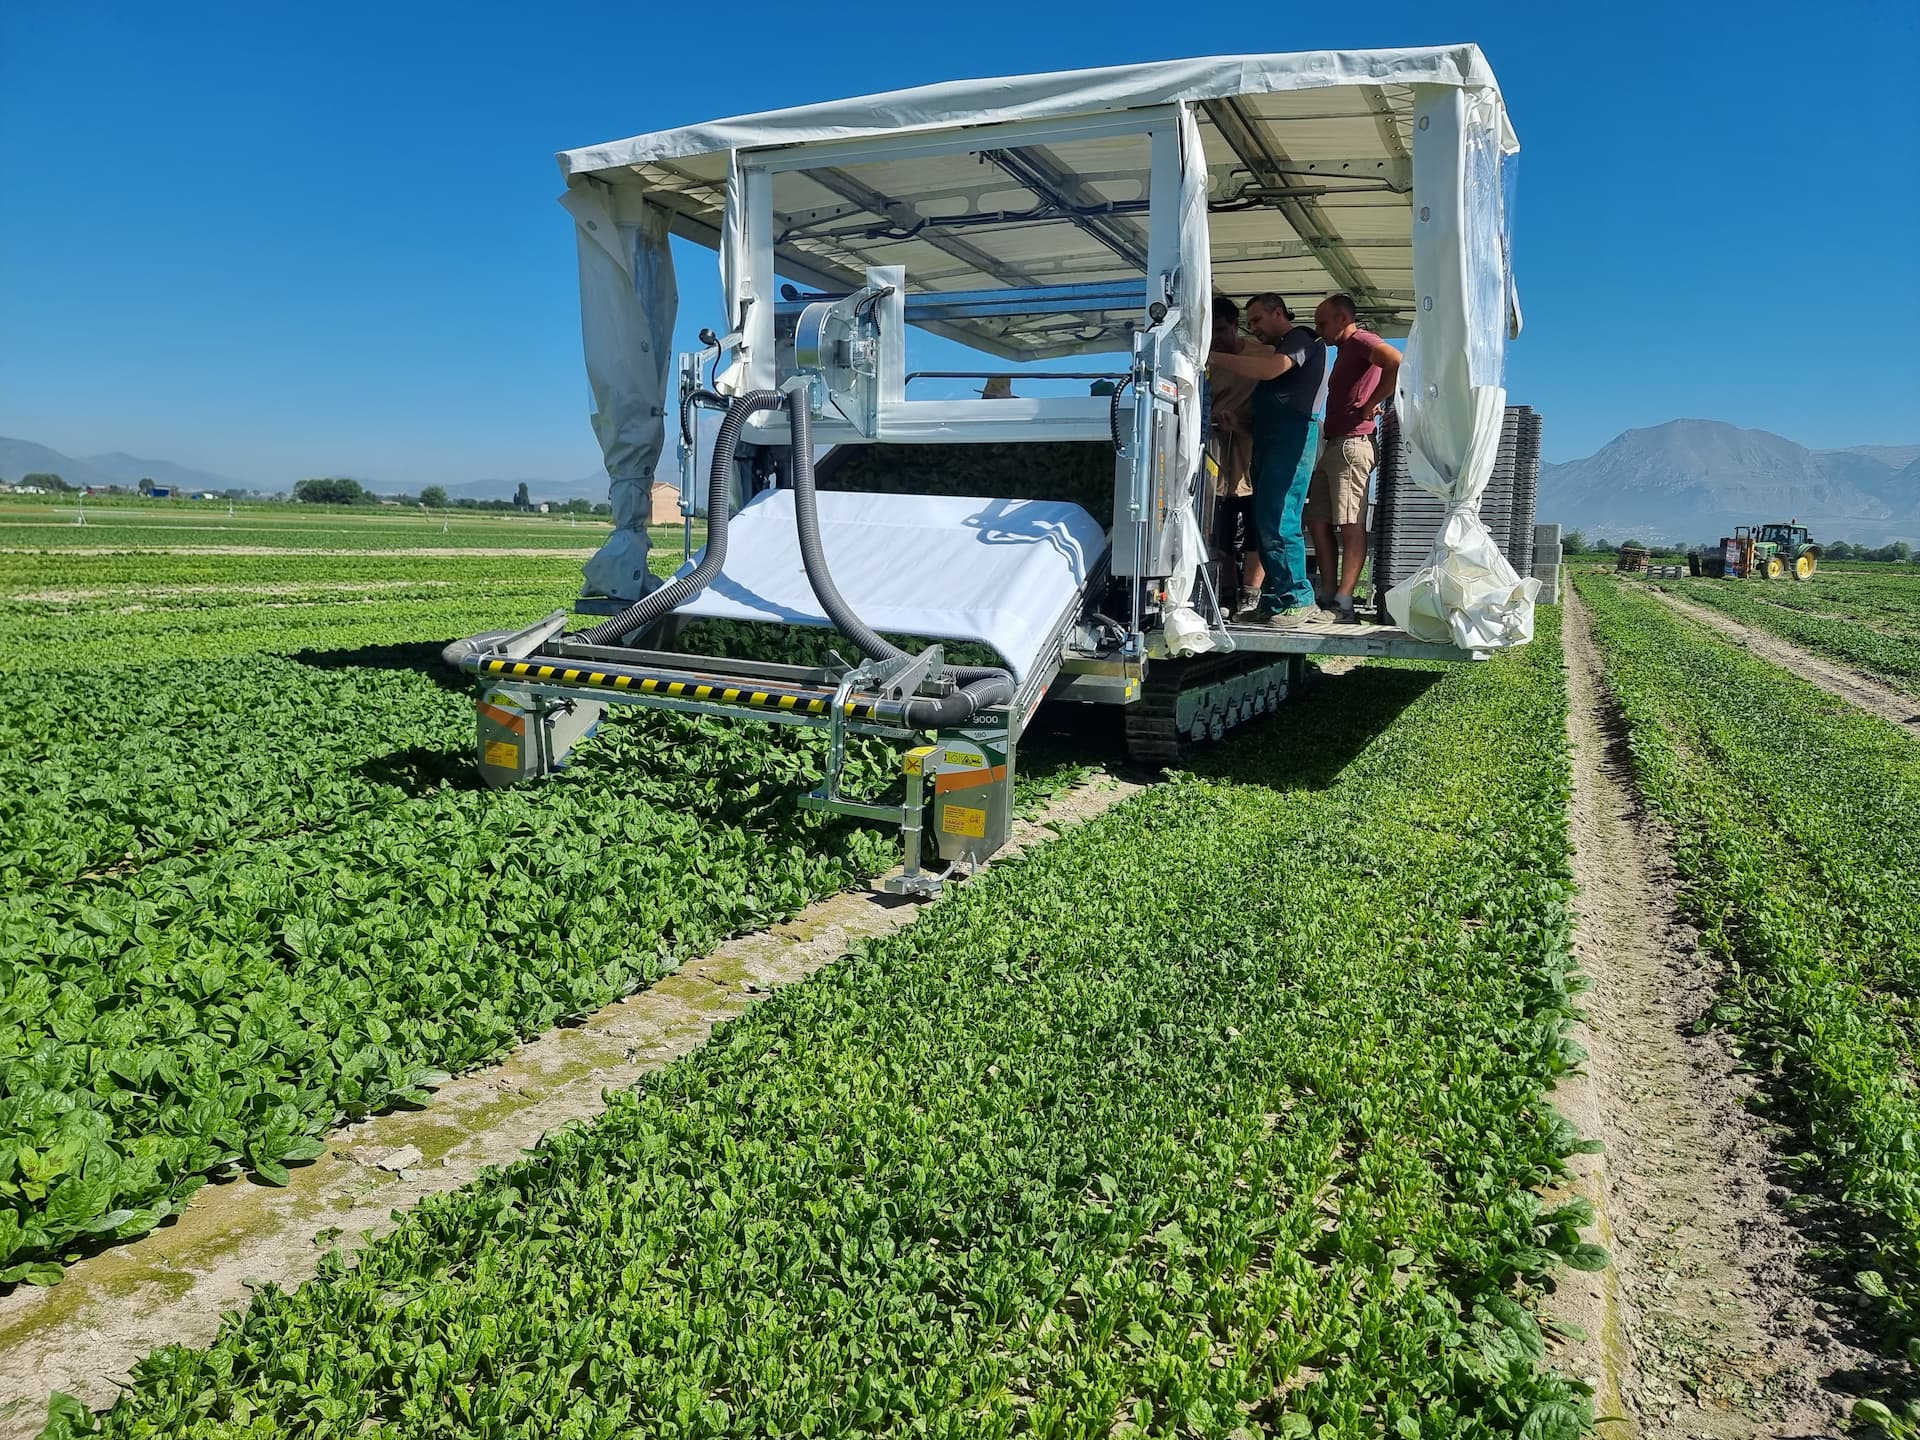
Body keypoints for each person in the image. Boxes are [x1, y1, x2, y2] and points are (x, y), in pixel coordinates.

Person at [1204, 293, 1328, 627]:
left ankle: (1298, 599)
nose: (1254, 328)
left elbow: (1272, 369)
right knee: (1265, 523)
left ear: (1277, 313)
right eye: (1250, 322)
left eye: (1257, 320)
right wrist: (1239, 424)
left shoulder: (1302, 339)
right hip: (1267, 443)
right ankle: (1279, 598)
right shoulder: (1280, 348)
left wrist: (1213, 356)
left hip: (1292, 442)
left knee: (1279, 520)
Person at [1309, 294, 1401, 622]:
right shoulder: (1345, 351)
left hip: (1352, 443)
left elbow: (1395, 360)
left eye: (1323, 322)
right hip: (1334, 443)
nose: (1319, 330)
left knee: (1350, 523)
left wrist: (1371, 403)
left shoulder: (1361, 340)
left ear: (1343, 319)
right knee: (1317, 520)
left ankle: (1344, 604)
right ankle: (1329, 593)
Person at [1205, 296, 1270, 616]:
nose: (1216, 337)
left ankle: (1251, 594)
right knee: (1221, 527)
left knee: (1258, 528)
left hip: (1256, 454)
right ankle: (1227, 593)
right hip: (1216, 455)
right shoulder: (1202, 361)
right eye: (1210, 331)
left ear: (1235, 326)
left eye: (1221, 329)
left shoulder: (1264, 356)